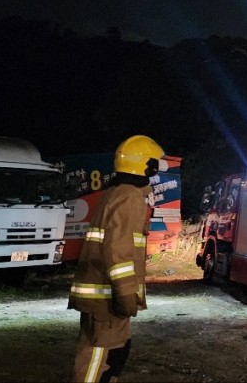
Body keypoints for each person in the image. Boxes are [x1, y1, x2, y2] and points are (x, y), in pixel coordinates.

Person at [69, 135, 167, 383]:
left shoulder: (116, 193)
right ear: (147, 166)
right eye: (154, 164)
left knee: (115, 355)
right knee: (97, 359)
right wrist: (125, 295)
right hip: (108, 300)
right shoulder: (129, 197)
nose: (155, 170)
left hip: (104, 298)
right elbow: (119, 251)